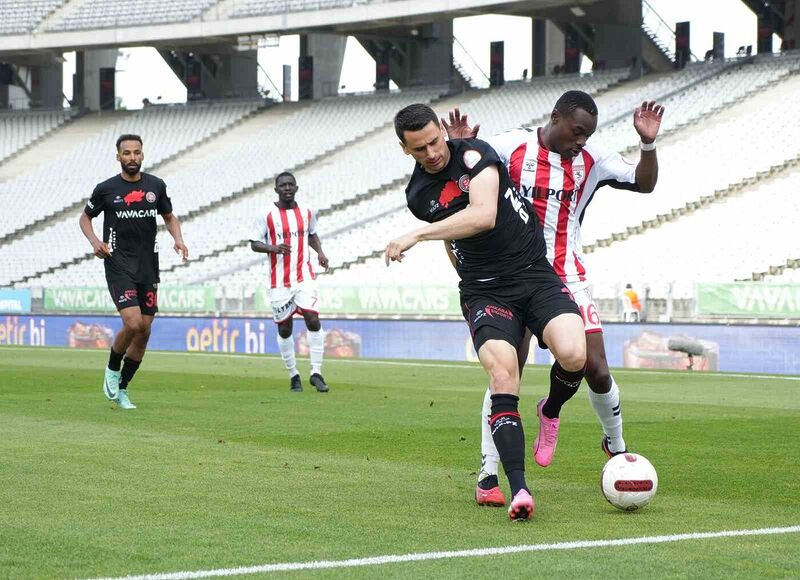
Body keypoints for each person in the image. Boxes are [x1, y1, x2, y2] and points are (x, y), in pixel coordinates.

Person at [441, 90, 663, 506]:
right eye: (577, 131)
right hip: (508, 273)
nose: (581, 140)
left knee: (593, 366)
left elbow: (644, 182)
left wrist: (647, 143)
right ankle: (489, 472)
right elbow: (462, 179)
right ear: (556, 117)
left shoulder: (592, 158)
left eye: (587, 134)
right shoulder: (510, 148)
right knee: (509, 371)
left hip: (565, 273)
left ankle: (608, 442)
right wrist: (460, 147)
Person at [386, 103, 587, 521]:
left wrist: (415, 235)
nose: (432, 153)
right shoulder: (418, 195)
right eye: (420, 149)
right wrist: (470, 280)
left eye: (436, 141)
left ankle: (549, 410)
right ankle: (519, 490)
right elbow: (452, 237)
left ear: (444, 131)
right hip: (485, 291)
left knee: (574, 355)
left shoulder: (476, 154)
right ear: (405, 149)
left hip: (534, 274)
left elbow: (482, 216)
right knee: (502, 375)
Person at [79, 134, 188, 409]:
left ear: (142, 155)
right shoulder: (106, 189)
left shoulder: (156, 186)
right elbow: (85, 217)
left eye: (136, 153)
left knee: (145, 330)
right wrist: (95, 242)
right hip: (118, 264)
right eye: (126, 153)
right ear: (118, 157)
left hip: (147, 266)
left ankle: (123, 388)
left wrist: (178, 239)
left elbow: (169, 217)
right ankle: (112, 369)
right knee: (133, 323)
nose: (131, 158)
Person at [249, 171, 330, 393]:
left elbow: (311, 234)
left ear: (296, 187)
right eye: (282, 185)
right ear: (276, 189)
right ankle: (294, 375)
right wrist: (273, 248)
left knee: (313, 319)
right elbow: (254, 243)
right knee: (285, 328)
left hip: (304, 276)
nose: (286, 188)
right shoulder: (266, 214)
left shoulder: (307, 211)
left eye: (290, 185)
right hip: (279, 282)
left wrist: (321, 253)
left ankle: (316, 372)